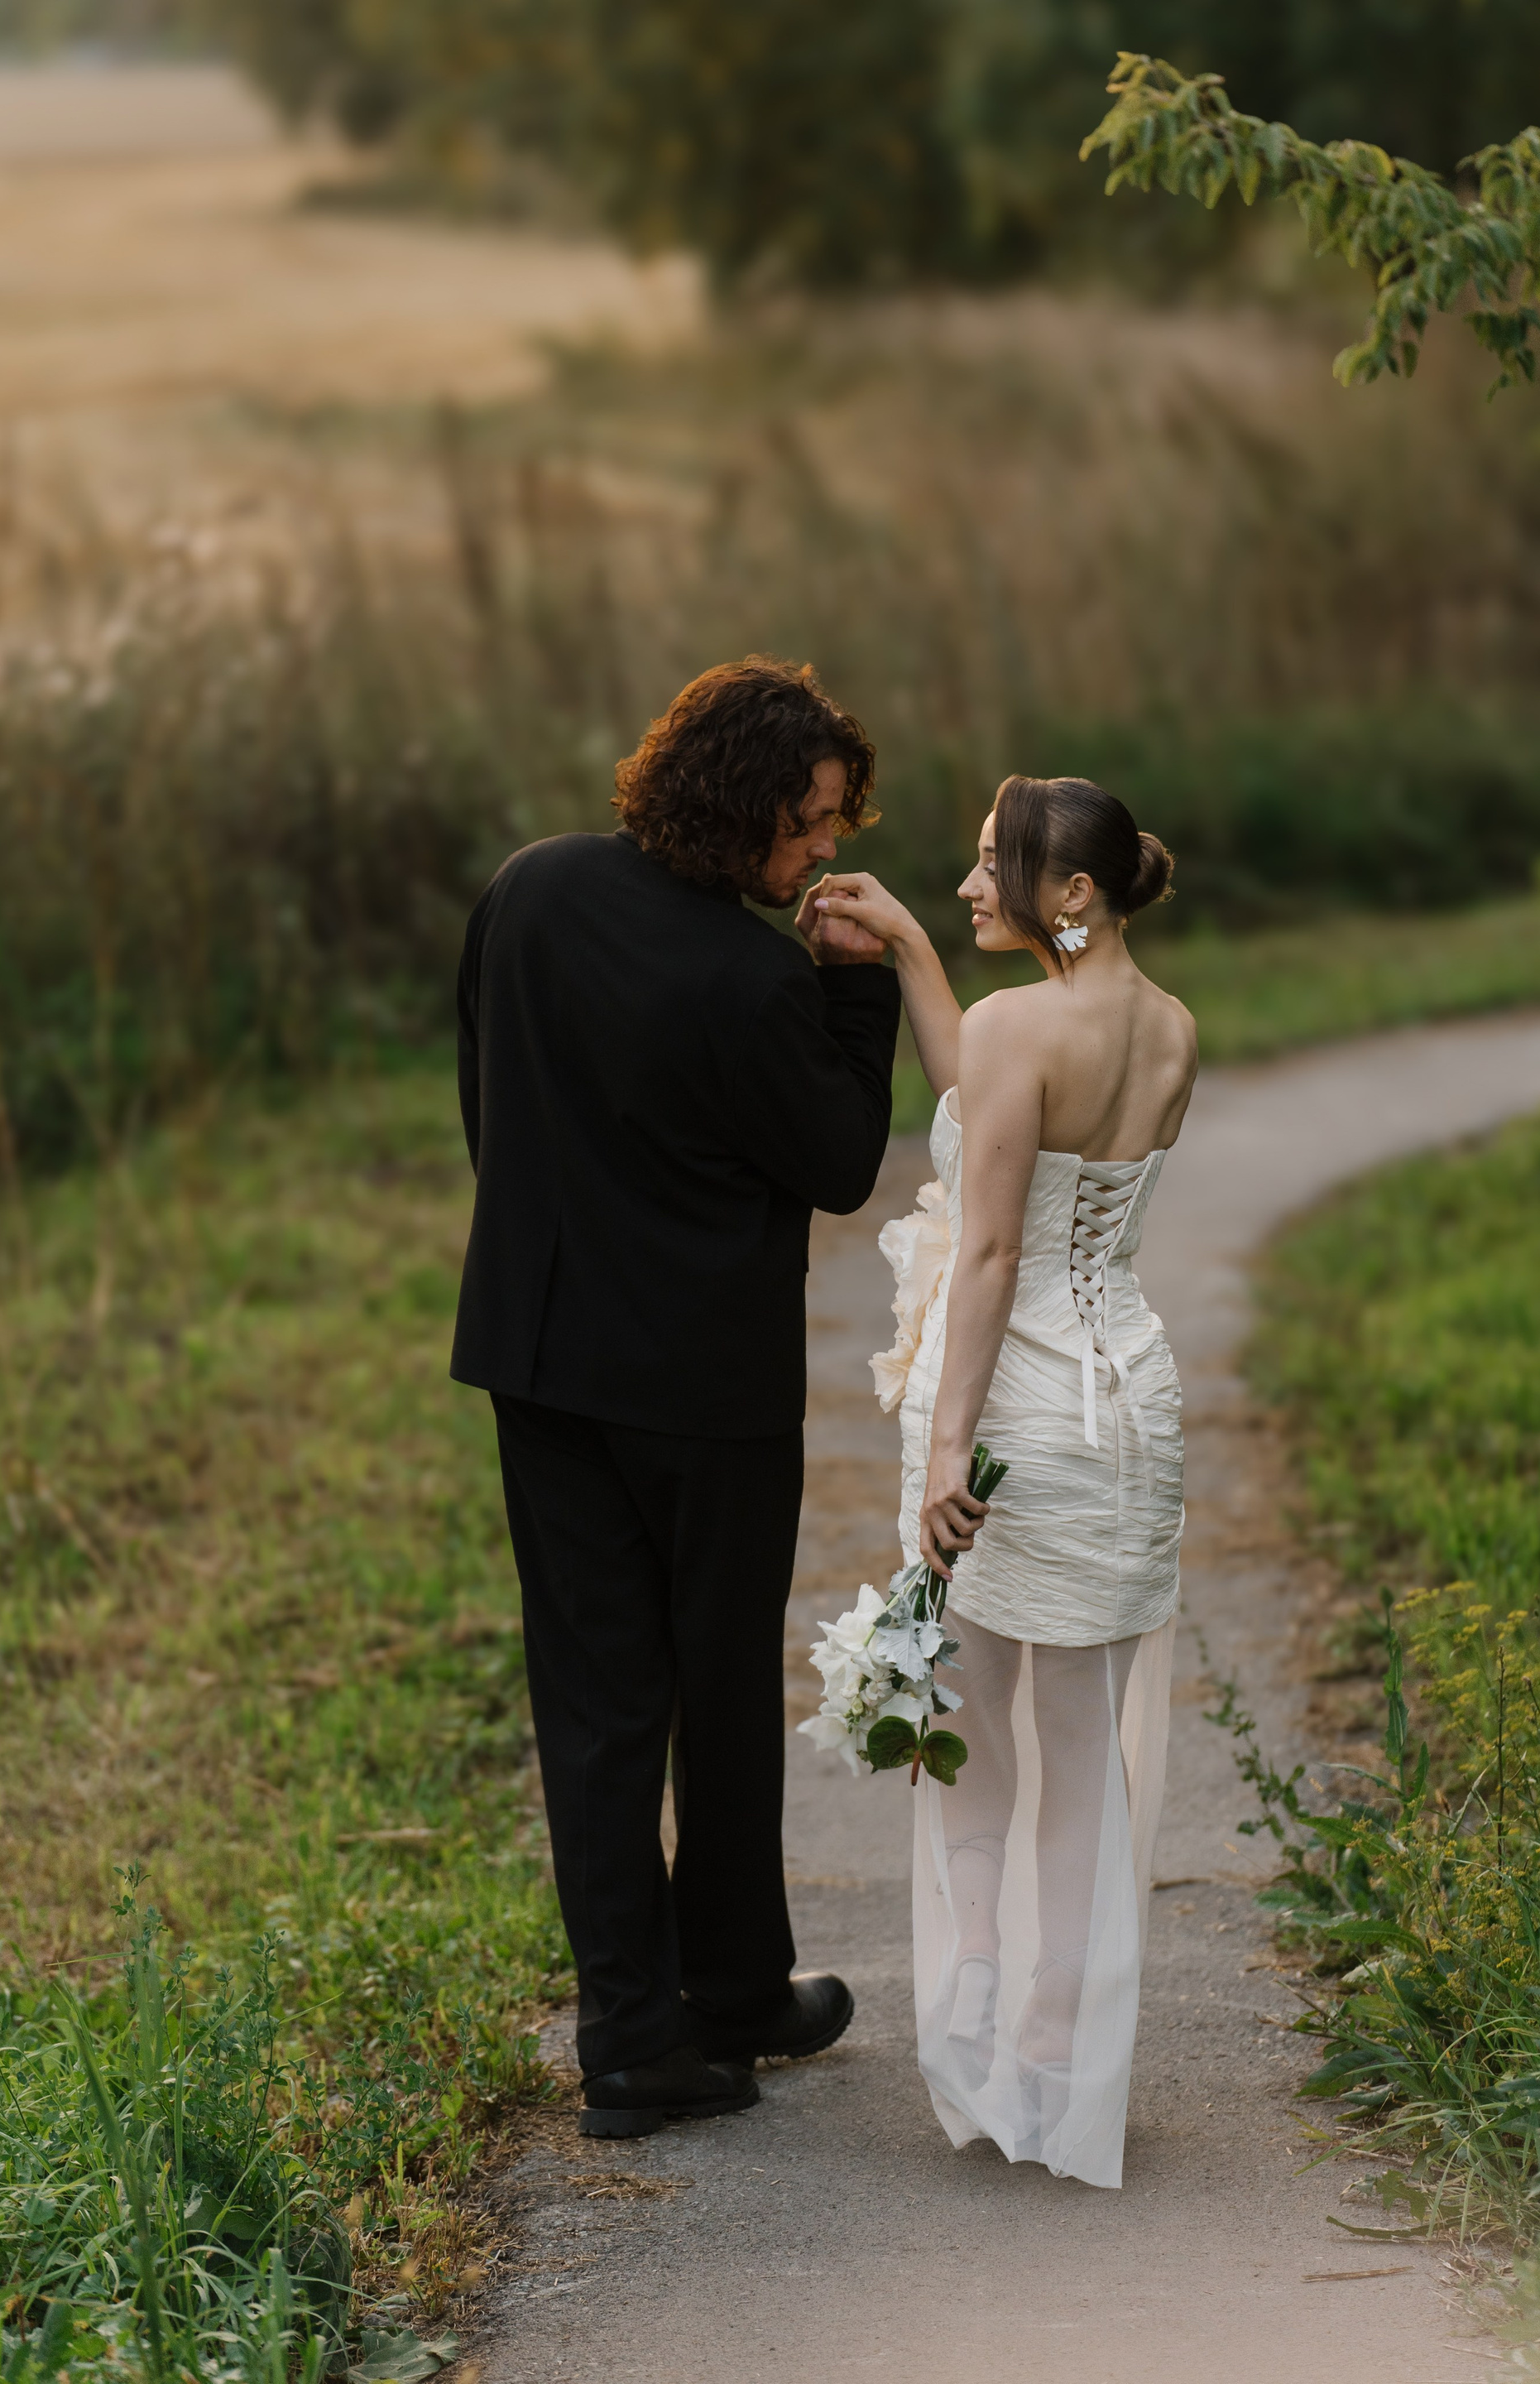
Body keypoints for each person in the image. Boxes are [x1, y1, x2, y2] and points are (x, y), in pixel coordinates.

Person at [451, 657, 901, 2140]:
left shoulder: (530, 889)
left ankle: (636, 2042)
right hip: (708, 1393)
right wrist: (858, 991)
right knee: (718, 1695)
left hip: (542, 1361)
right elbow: (840, 1161)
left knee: (596, 1706)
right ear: (738, 800)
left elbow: (487, 1103)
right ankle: (735, 1992)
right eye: (809, 820)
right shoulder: (755, 978)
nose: (823, 848)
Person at [811, 773, 1197, 2189]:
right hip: (1128, 1411)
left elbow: (986, 1251)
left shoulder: (1015, 1025)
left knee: (967, 1709)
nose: (973, 884)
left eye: (994, 865)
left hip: (1011, 1412)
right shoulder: (1170, 1029)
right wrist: (917, 950)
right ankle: (1055, 2044)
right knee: (1086, 1745)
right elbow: (994, 1108)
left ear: (1071, 891)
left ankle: (975, 1969)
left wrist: (943, 1455)